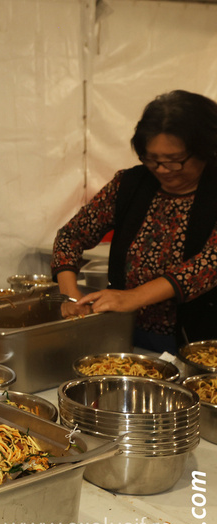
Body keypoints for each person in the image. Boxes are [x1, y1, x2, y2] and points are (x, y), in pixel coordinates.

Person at [52, 89, 217, 354]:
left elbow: (208, 265)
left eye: (175, 161)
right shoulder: (130, 184)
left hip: (199, 344)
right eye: (152, 159)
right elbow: (70, 236)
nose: (162, 170)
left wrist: (133, 297)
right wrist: (71, 297)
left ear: (205, 150)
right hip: (123, 333)